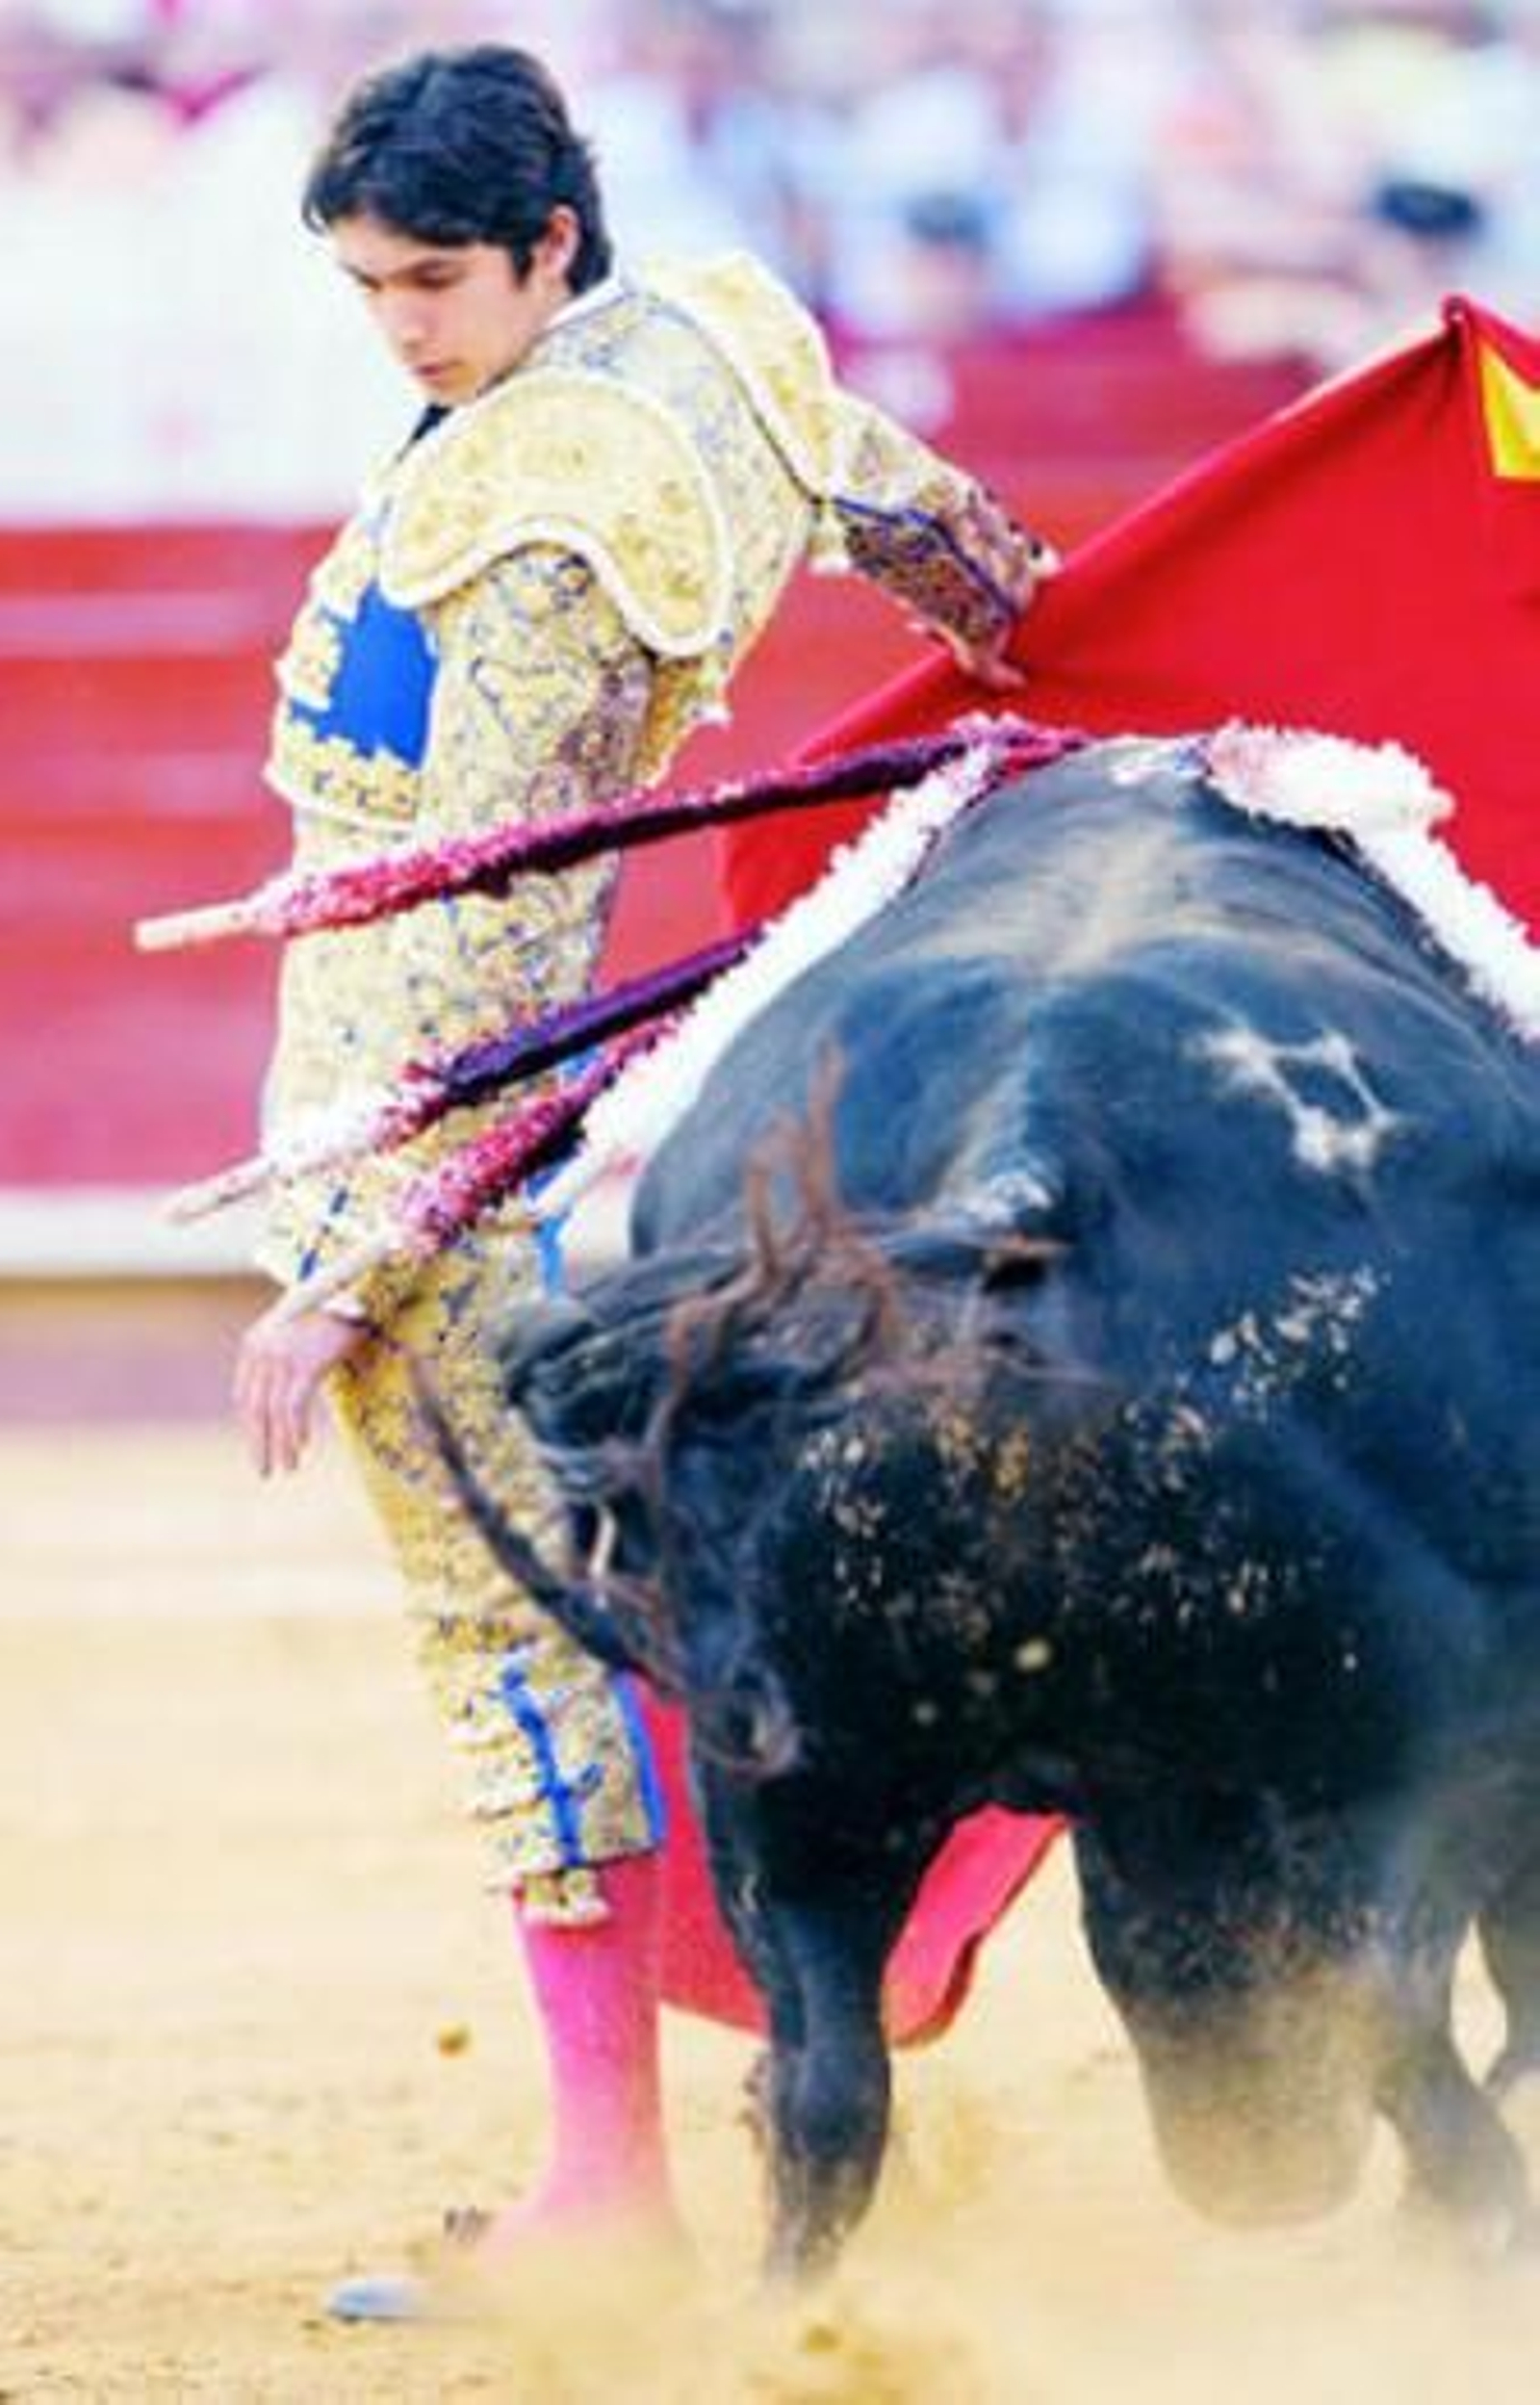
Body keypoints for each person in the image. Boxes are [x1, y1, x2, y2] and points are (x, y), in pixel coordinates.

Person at [230, 40, 1051, 2318]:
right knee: (664, 1620)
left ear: (546, 245)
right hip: (515, 1120)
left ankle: (607, 2193)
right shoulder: (717, 337)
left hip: (445, 1157)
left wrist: (349, 1257)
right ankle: (833, 2018)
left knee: (519, 1654)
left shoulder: (535, 525)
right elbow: (960, 553)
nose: (398, 328)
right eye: (366, 288)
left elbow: (471, 929)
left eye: (431, 283)